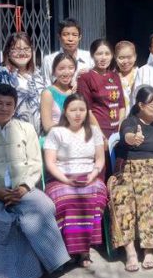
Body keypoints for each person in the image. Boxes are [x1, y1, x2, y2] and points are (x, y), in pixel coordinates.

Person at [0, 84, 70, 278]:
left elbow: (35, 164)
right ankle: (5, 277)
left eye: (9, 104)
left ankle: (52, 262)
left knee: (44, 206)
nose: (4, 108)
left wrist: (24, 187)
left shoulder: (26, 129)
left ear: (15, 106)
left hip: (23, 190)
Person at [109, 86, 153, 272]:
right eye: (152, 103)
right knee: (120, 196)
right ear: (141, 105)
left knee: (150, 194)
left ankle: (149, 250)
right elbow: (126, 135)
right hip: (128, 170)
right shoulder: (129, 122)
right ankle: (130, 252)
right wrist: (134, 138)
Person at [43, 93, 108, 268]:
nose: (78, 114)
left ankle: (84, 250)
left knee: (97, 194)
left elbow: (100, 159)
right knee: (66, 198)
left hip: (89, 175)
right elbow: (50, 163)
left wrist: (93, 174)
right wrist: (66, 180)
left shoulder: (94, 131)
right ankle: (69, 249)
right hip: (61, 178)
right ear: (65, 111)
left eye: (82, 109)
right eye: (73, 110)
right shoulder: (56, 132)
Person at [0, 32, 47, 134]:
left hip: (37, 135)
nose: (22, 53)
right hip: (10, 135)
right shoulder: (1, 74)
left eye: (26, 49)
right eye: (16, 49)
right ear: (8, 52)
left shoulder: (37, 74)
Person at [77, 39, 125, 140]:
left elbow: (121, 106)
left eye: (107, 54)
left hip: (117, 131)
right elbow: (87, 110)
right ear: (92, 55)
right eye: (99, 54)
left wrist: (120, 130)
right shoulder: (85, 77)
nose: (103, 58)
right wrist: (100, 136)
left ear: (112, 56)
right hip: (97, 131)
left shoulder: (115, 76)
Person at [40, 53, 76, 135]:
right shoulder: (48, 93)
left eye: (71, 68)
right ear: (54, 71)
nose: (66, 72)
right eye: (61, 68)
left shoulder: (76, 91)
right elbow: (47, 126)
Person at [115, 41, 138, 111]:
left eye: (129, 57)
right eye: (121, 58)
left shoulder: (141, 74)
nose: (125, 61)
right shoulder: (110, 77)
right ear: (115, 58)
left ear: (135, 57)